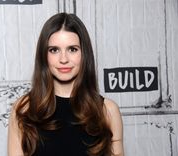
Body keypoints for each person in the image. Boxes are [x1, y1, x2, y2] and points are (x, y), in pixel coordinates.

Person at [7, 12, 124, 156]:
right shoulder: (24, 109)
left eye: (72, 49)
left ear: (84, 54)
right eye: (54, 50)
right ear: (44, 55)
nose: (64, 59)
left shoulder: (108, 111)